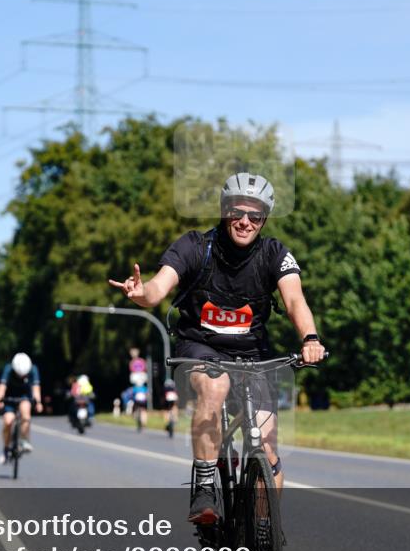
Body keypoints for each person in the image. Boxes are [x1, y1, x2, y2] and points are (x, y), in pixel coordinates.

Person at [109, 172, 326, 522]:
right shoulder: (195, 246)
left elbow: (294, 300)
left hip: (253, 354)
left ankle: (263, 530)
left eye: (255, 215)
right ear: (225, 212)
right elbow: (158, 287)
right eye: (237, 212)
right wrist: (142, 293)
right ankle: (206, 485)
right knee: (215, 386)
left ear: (264, 219)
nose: (245, 221)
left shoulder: (275, 253)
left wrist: (310, 338)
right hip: (200, 347)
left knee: (268, 448)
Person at [0, 352, 43, 465]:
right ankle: (6, 449)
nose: (22, 377)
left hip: (25, 396)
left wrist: (38, 402)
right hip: (9, 397)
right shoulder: (8, 369)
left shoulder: (33, 369)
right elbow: (2, 386)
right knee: (8, 421)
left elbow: (36, 388)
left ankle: (24, 439)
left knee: (25, 414)